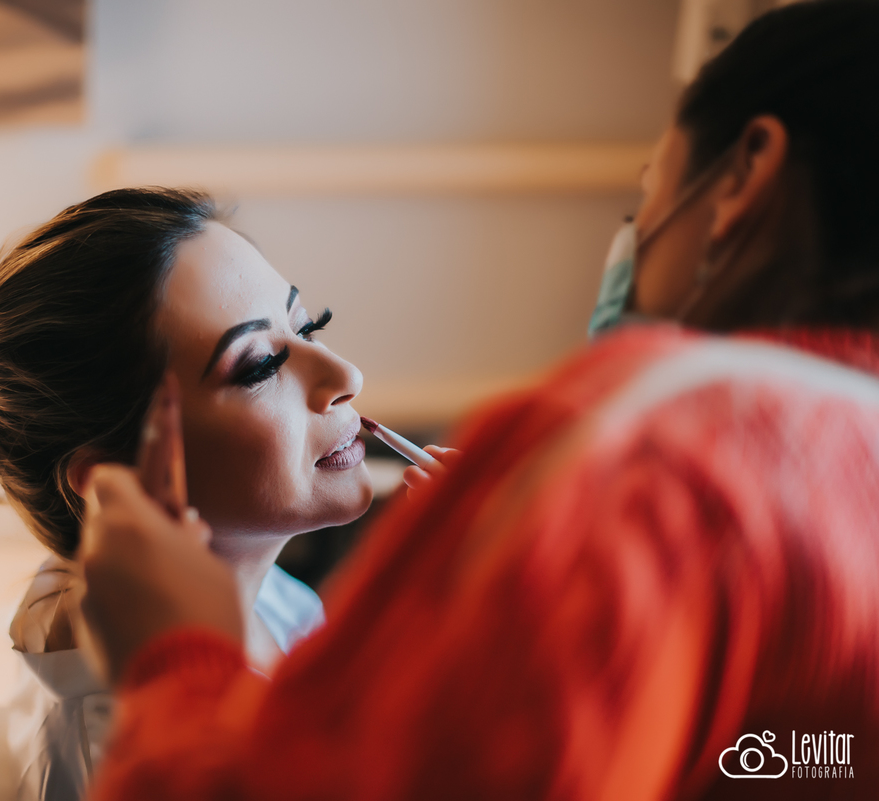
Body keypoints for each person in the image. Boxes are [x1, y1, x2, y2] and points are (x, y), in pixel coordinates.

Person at [75, 3, 879, 799]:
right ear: (102, 475)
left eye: (649, 195)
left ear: (742, 178)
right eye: (256, 363)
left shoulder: (640, 459)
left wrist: (174, 662)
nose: (346, 371)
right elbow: (797, 755)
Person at [0, 188, 389, 799]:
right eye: (259, 365)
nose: (346, 377)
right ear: (115, 484)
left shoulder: (260, 595)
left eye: (309, 324)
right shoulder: (119, 756)